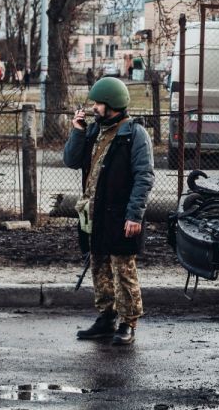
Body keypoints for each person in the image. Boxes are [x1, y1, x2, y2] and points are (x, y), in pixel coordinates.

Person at [63, 77, 155, 344]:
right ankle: (106, 317)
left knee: (122, 269)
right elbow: (71, 160)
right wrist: (77, 132)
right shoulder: (94, 131)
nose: (93, 107)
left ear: (112, 104)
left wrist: (134, 215)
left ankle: (128, 322)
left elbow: (144, 177)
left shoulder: (134, 134)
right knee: (99, 266)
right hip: (94, 213)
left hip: (120, 214)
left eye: (98, 103)